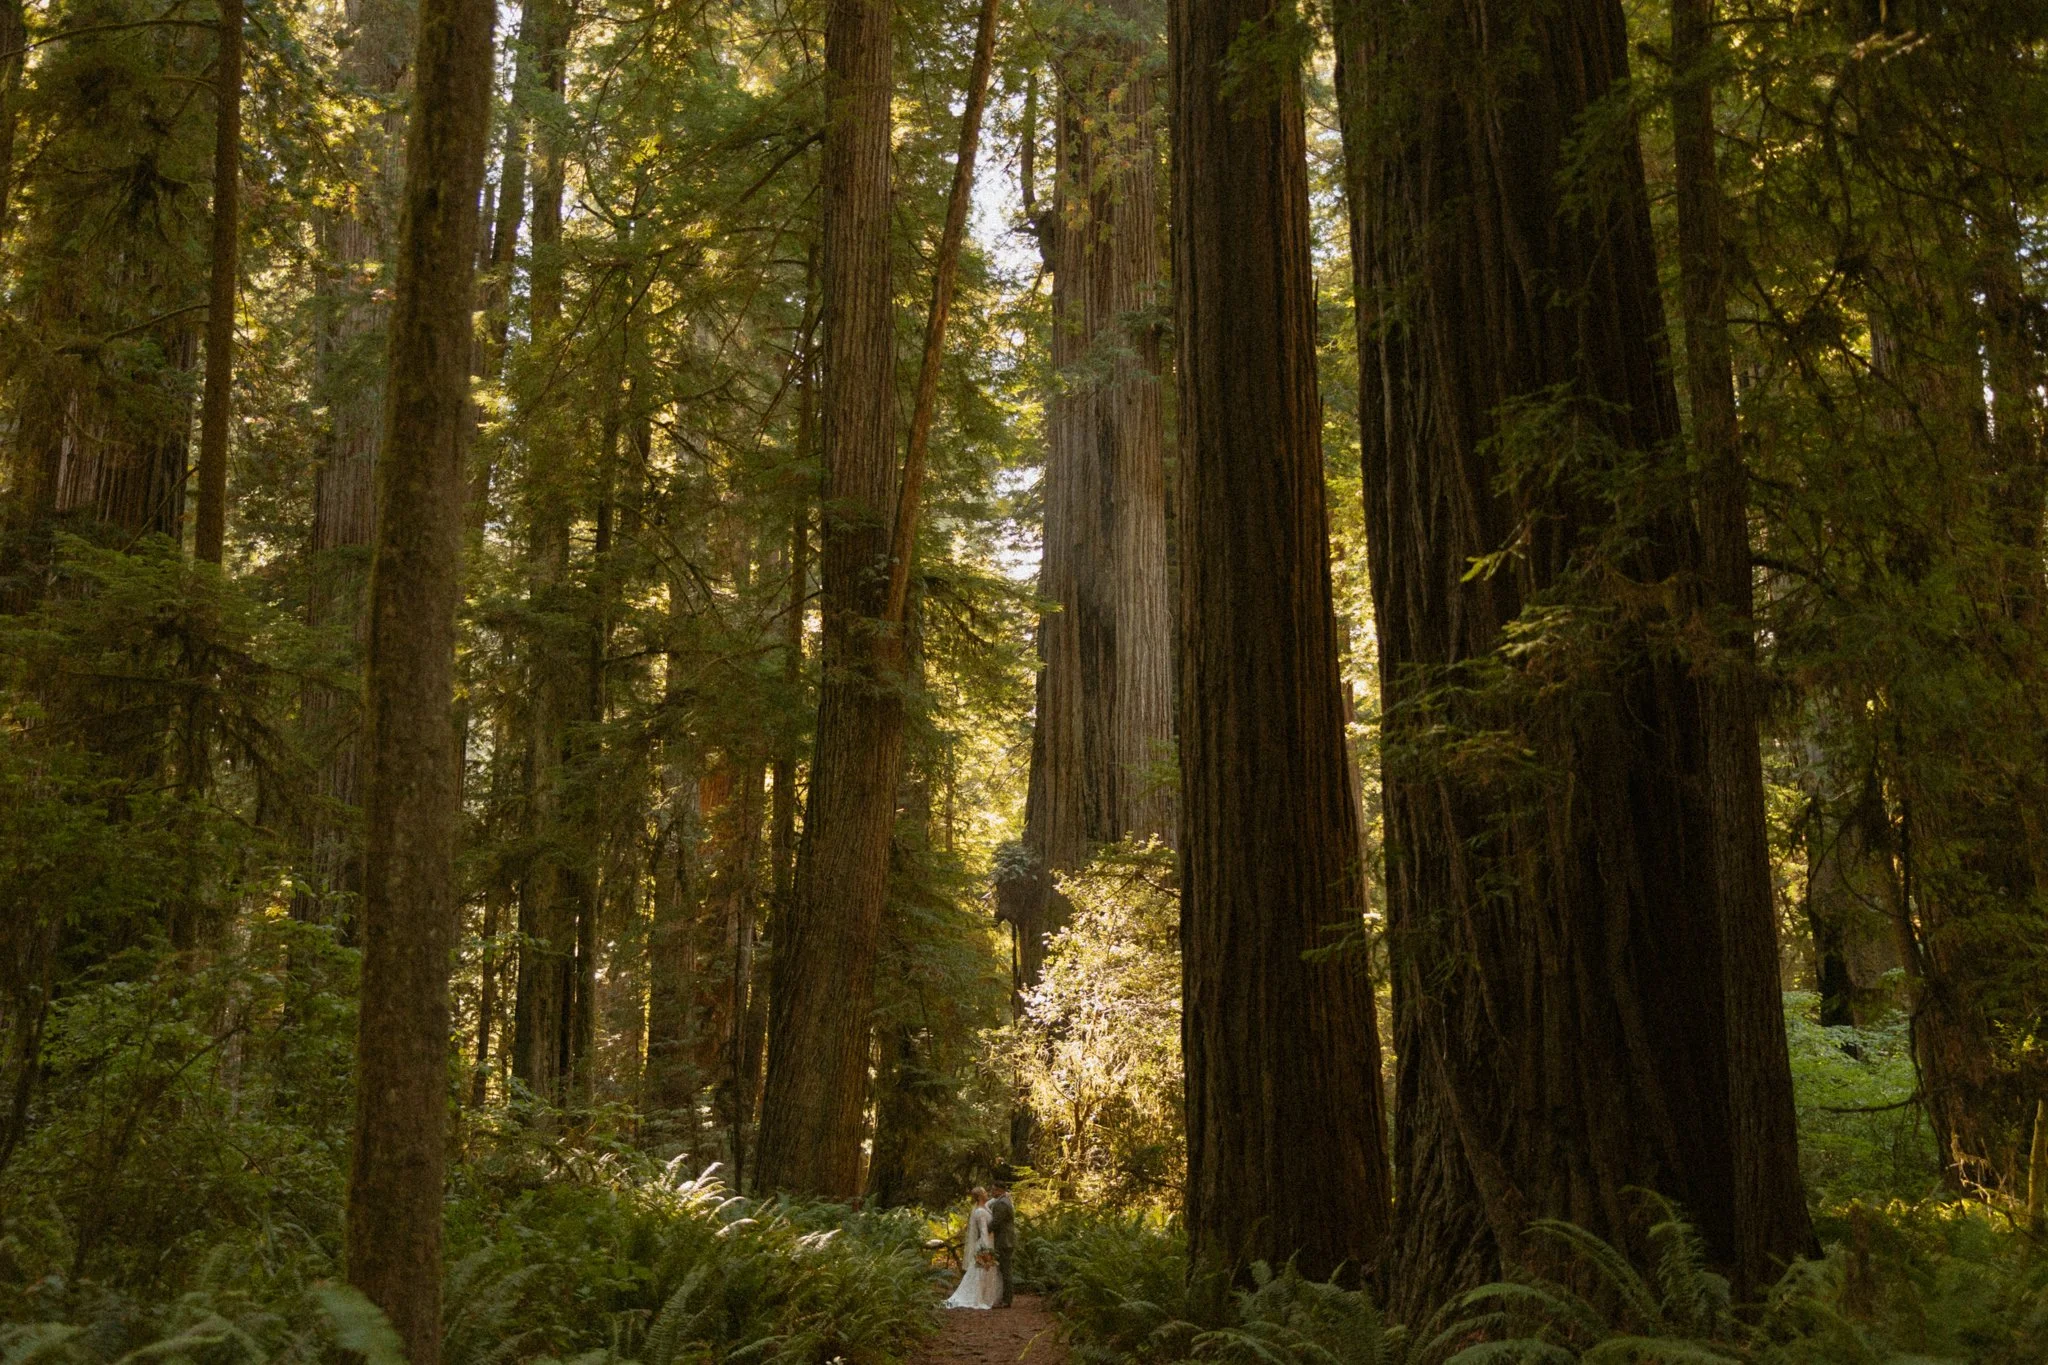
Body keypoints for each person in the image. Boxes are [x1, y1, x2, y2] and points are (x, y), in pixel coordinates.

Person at [943, 1186, 1002, 1309]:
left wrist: (1003, 1195)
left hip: (988, 1243)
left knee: (984, 1272)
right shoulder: (979, 1212)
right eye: (985, 1193)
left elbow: (990, 1202)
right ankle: (977, 1297)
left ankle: (986, 1296)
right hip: (985, 1245)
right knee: (981, 1273)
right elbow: (984, 1231)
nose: (988, 1194)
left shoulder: (983, 1208)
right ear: (980, 1196)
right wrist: (986, 1250)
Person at [986, 1183, 1016, 1308]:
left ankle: (1007, 1299)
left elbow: (996, 1222)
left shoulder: (1002, 1203)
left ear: (999, 1190)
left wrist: (984, 1230)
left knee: (1005, 1270)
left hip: (1004, 1241)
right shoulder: (1005, 1200)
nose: (991, 1192)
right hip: (1006, 1240)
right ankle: (1005, 1298)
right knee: (1004, 1269)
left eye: (993, 1190)